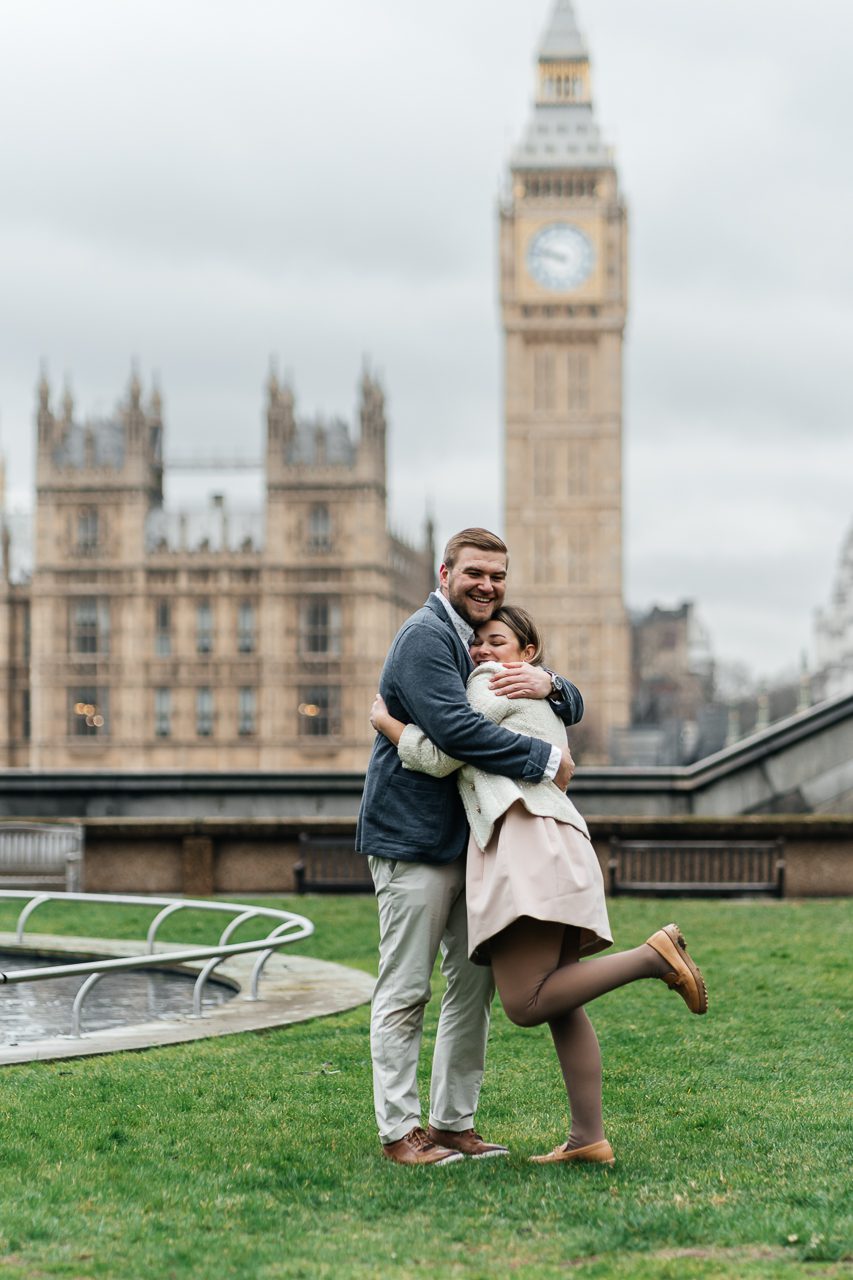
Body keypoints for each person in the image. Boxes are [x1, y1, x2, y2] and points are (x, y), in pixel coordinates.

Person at [371, 604, 708, 1167]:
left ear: (527, 655)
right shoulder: (541, 691)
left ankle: (653, 958)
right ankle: (587, 1137)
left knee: (526, 1003)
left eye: (496, 640)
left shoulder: (491, 684)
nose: (481, 652)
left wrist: (385, 722)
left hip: (526, 843)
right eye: (476, 642)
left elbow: (440, 749)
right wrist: (553, 686)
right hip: (561, 840)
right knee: (561, 998)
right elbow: (559, 714)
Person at [356, 528, 584, 1166]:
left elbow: (557, 694)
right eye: (475, 573)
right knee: (406, 988)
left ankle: (454, 1123)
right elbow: (457, 730)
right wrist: (546, 758)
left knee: (472, 985)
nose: (487, 585)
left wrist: (552, 686)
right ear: (445, 572)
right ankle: (400, 1133)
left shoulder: (475, 642)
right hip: (414, 838)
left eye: (498, 575)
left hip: (470, 840)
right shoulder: (427, 638)